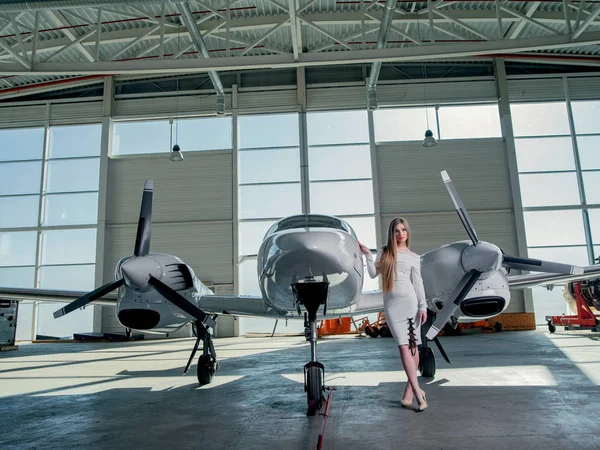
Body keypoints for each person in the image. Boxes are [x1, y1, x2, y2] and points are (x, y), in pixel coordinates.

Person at [358, 217, 428, 412]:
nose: (400, 234)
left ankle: (411, 392)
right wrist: (366, 254)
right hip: (392, 305)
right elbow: (373, 274)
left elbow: (418, 283)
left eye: (403, 229)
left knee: (413, 347)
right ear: (392, 233)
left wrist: (423, 306)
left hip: (410, 303)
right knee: (403, 347)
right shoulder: (385, 253)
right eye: (397, 230)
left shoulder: (414, 256)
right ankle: (417, 391)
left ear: (407, 232)